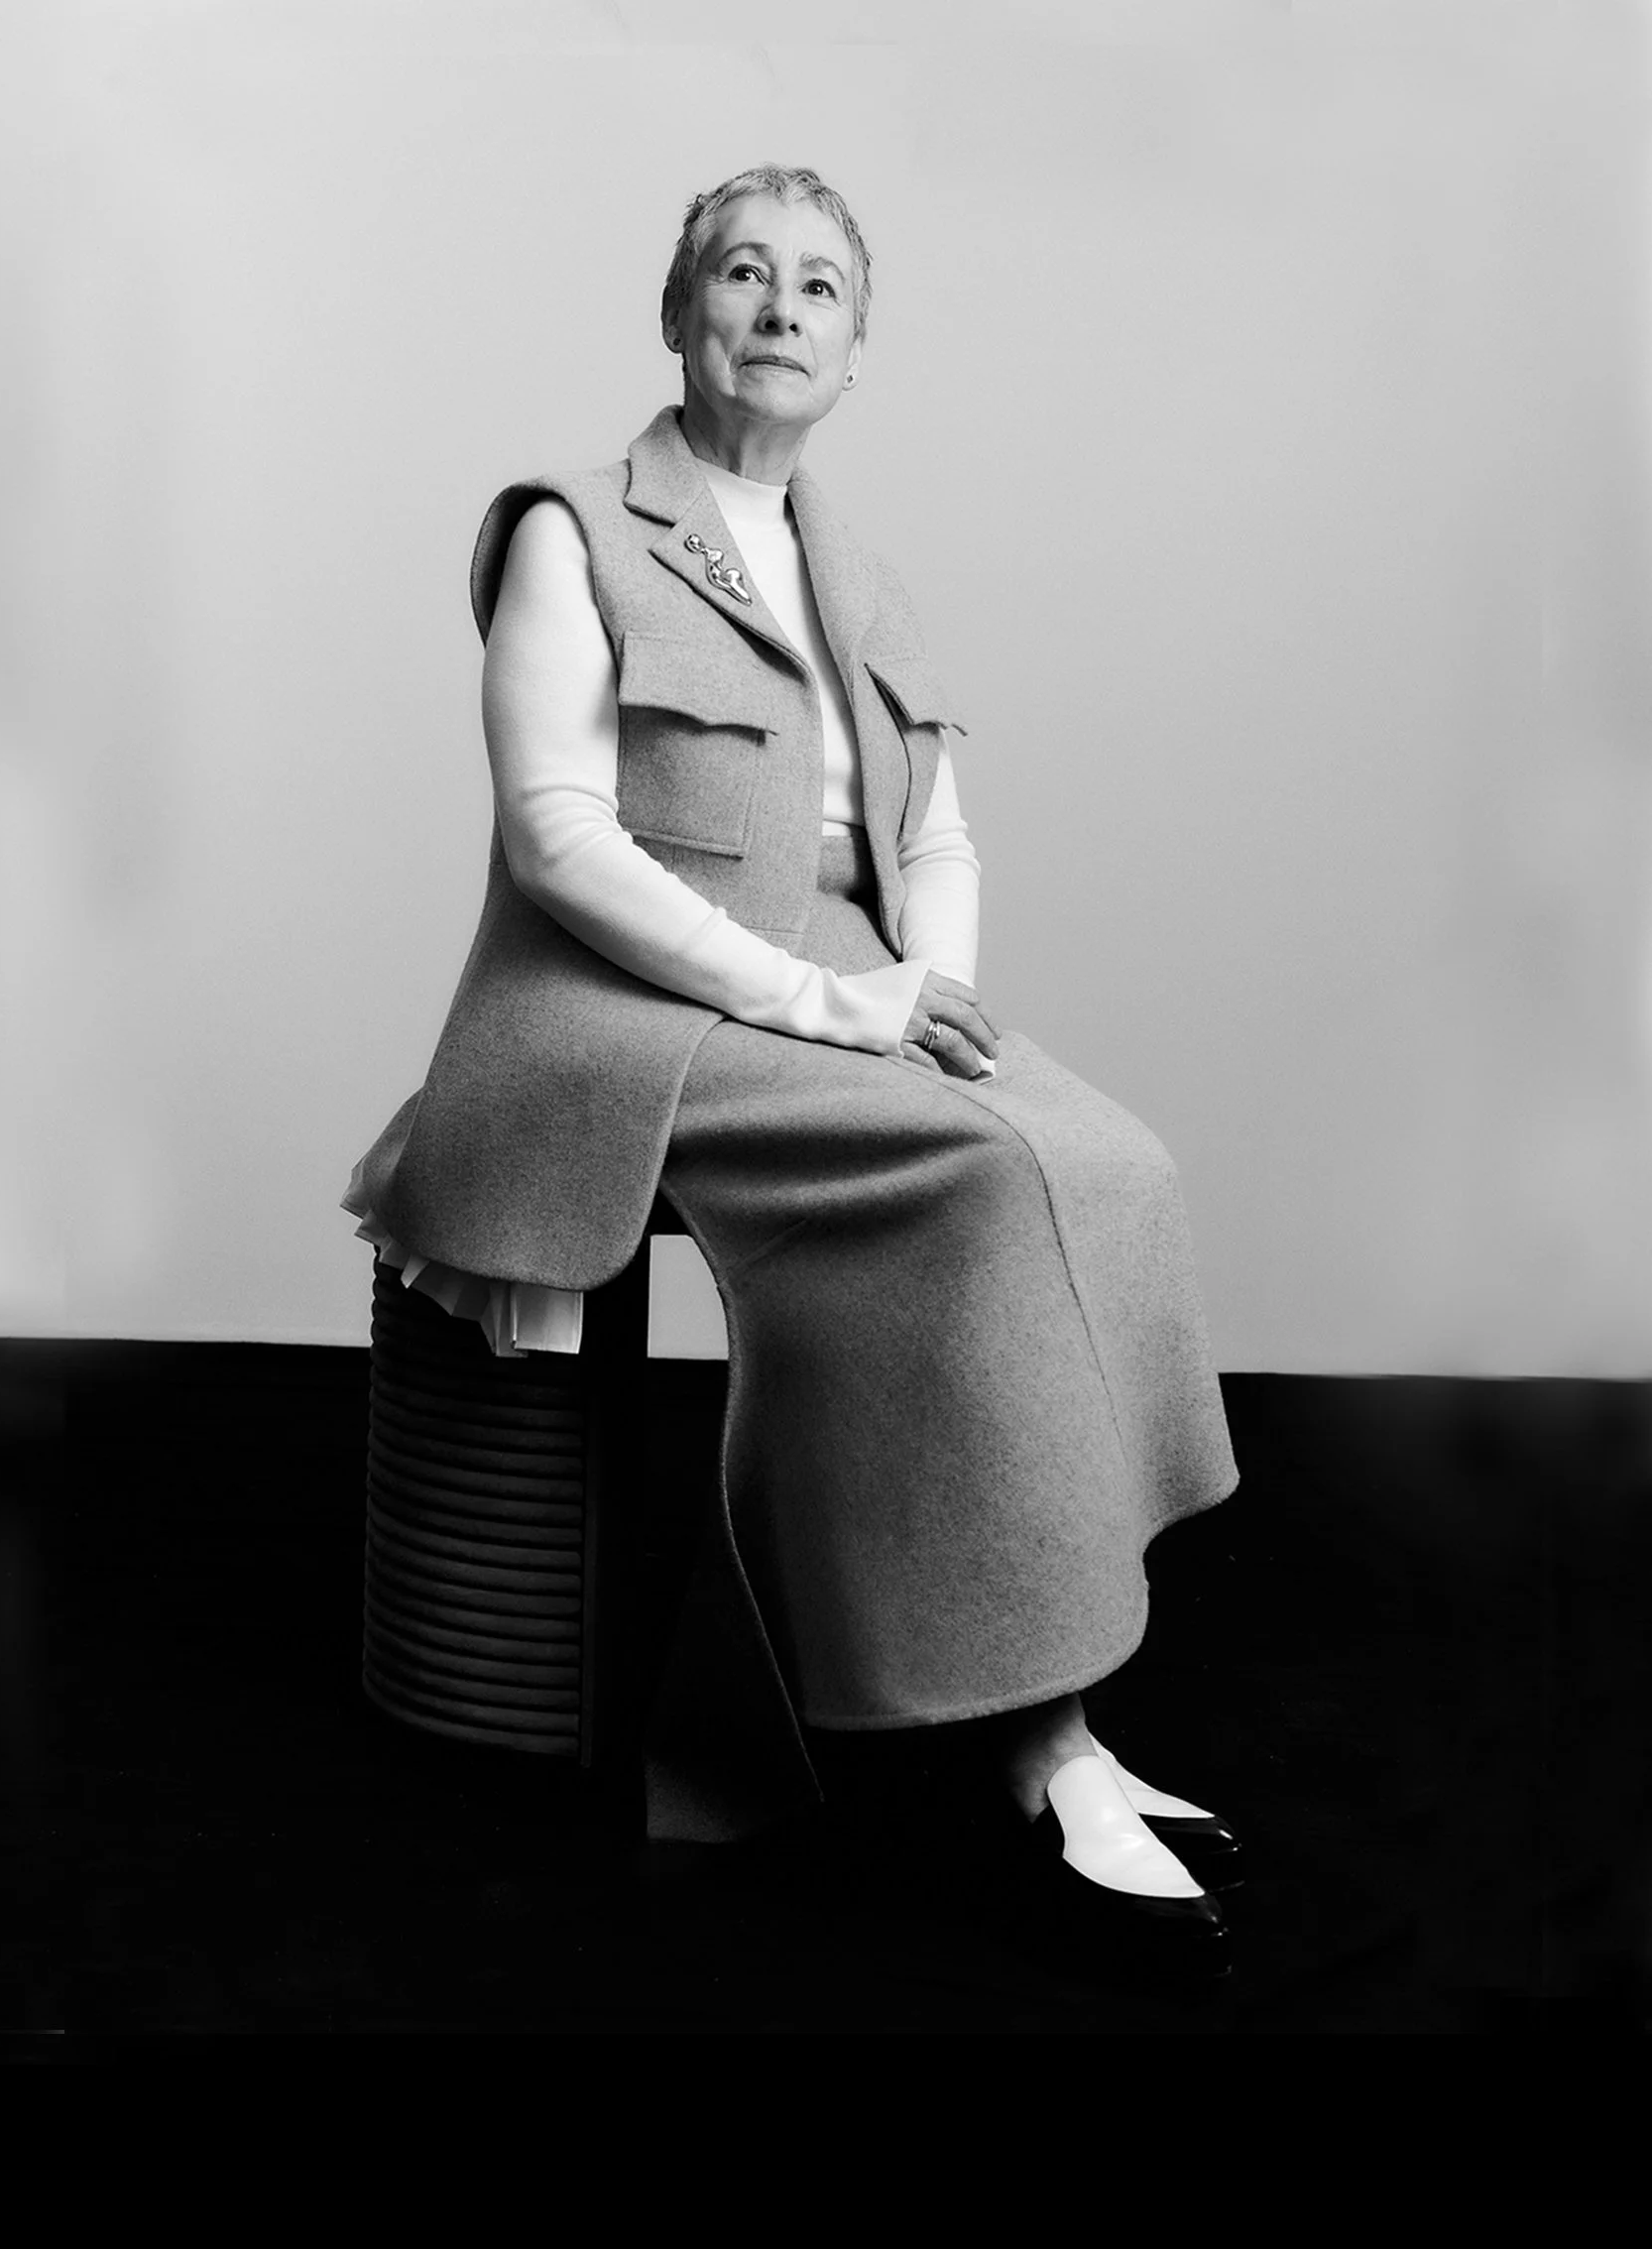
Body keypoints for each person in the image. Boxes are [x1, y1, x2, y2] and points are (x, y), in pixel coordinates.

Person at [345, 164, 1241, 1974]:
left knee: (1116, 1163)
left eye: (818, 287)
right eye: (741, 274)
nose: (776, 307)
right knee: (985, 1183)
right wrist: (840, 1014)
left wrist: (926, 998)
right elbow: (558, 843)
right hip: (620, 1015)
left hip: (846, 990)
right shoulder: (573, 533)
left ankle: (1051, 1703)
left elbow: (941, 832)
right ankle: (1040, 1753)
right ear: (679, 317)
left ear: (854, 352)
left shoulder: (860, 573)